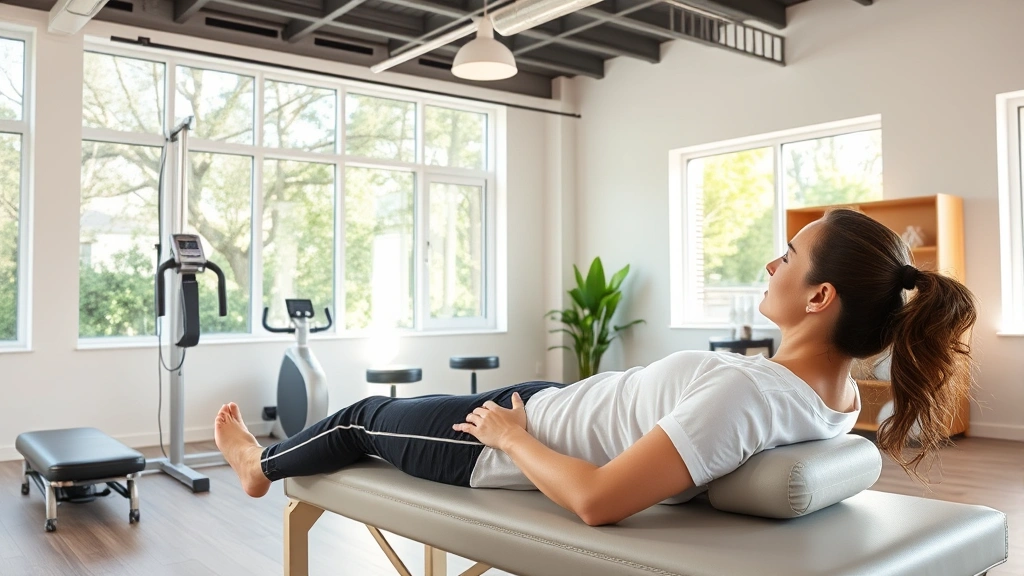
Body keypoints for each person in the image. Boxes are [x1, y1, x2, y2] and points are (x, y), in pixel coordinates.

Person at [215, 208, 977, 526]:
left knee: (362, 418)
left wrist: (511, 436)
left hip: (509, 444)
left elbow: (600, 501)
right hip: (556, 405)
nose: (773, 260)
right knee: (408, 408)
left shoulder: (746, 392)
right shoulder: (839, 396)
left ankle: (260, 465)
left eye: (792, 254)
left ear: (819, 296)